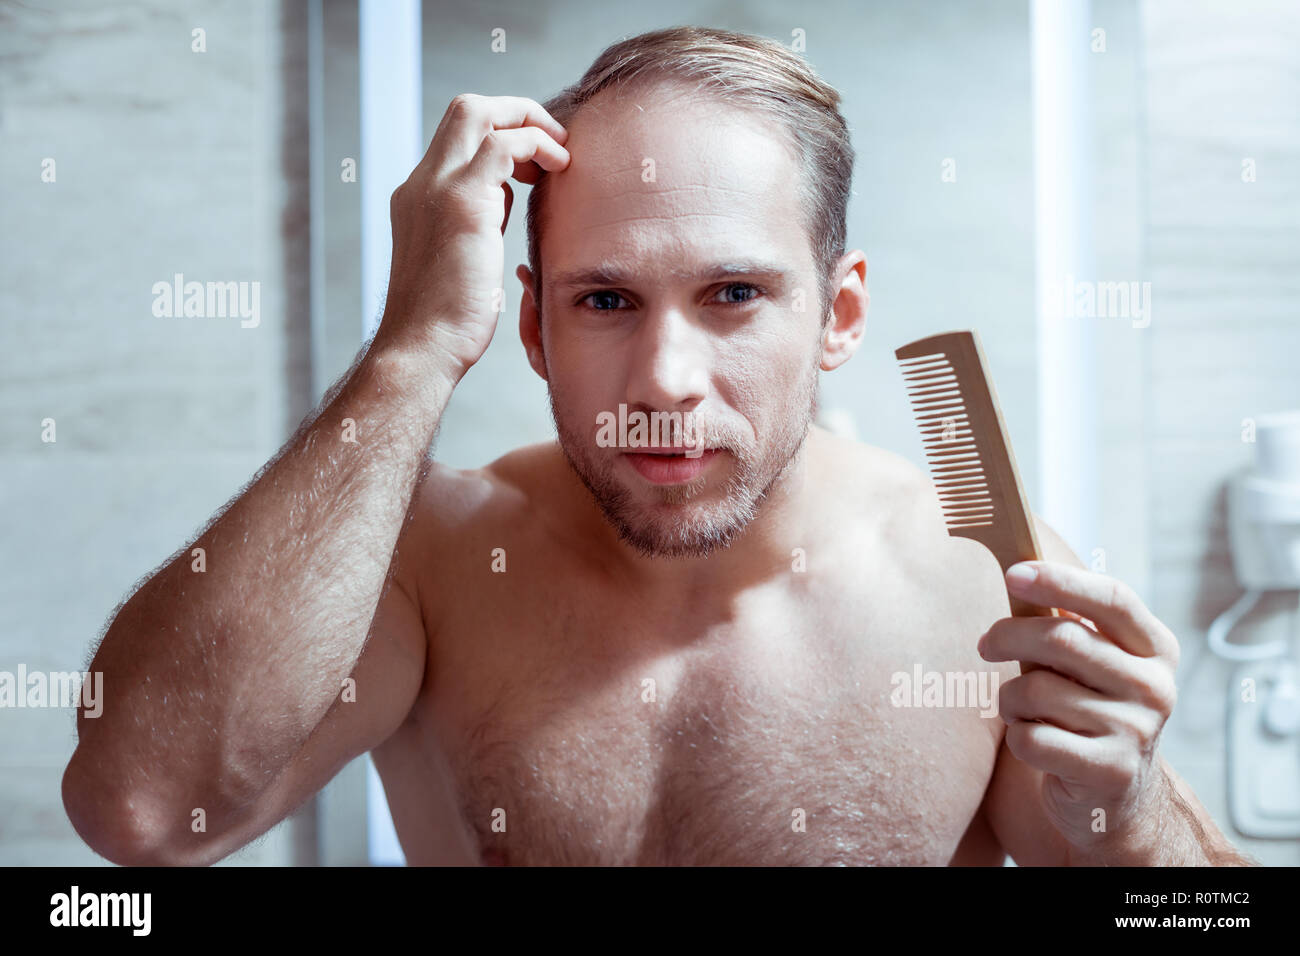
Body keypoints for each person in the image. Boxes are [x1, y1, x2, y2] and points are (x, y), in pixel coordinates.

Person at [63, 26, 1249, 866]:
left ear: (838, 314)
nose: (668, 381)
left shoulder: (981, 583)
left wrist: (1134, 809)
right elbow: (144, 815)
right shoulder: (427, 559)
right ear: (528, 320)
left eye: (733, 291)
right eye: (605, 301)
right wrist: (411, 348)